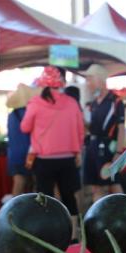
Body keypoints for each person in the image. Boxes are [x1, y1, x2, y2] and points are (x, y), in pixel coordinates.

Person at [21, 66, 85, 225]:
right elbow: (80, 131)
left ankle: (47, 233)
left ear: (43, 84)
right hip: (68, 159)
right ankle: (73, 236)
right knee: (68, 196)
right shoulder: (72, 102)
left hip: (44, 160)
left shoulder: (35, 103)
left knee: (45, 198)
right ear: (60, 83)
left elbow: (24, 127)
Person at [81, 64, 125, 199]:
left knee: (114, 184)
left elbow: (121, 128)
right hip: (92, 146)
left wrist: (118, 152)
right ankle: (97, 218)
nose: (87, 83)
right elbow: (90, 128)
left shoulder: (115, 101)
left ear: (99, 79)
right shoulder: (92, 103)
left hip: (107, 148)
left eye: (90, 79)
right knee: (95, 187)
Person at [5, 83, 37, 199]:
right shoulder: (32, 113)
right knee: (35, 184)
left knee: (18, 184)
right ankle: (36, 211)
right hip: (31, 154)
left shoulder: (11, 115)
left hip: (14, 154)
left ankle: (14, 211)